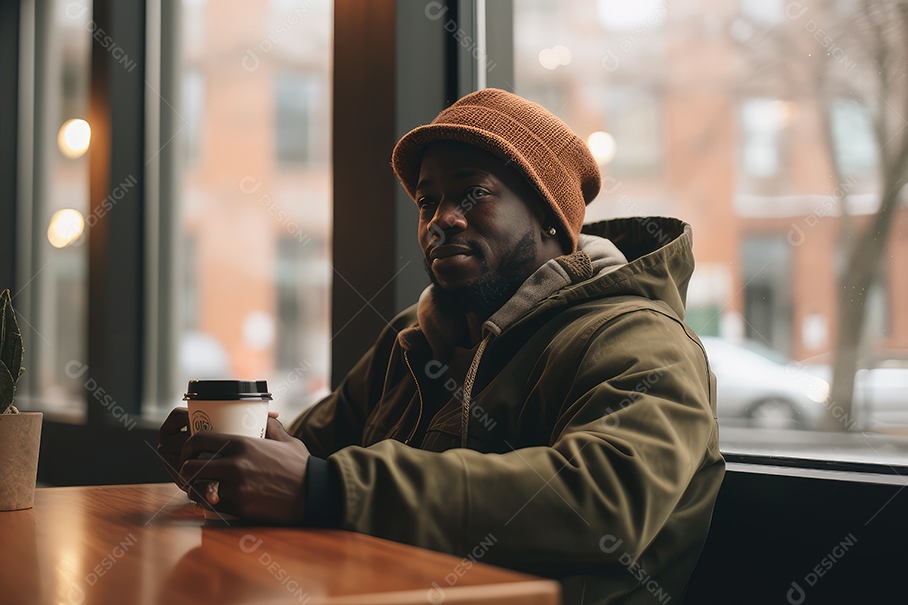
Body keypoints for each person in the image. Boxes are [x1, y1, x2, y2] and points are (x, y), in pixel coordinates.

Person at [159, 88, 723, 604]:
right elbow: (305, 453)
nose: (441, 219)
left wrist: (327, 489)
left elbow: (602, 503)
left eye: (474, 193)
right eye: (428, 201)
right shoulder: (415, 336)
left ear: (551, 218)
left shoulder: (639, 338)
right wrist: (229, 458)